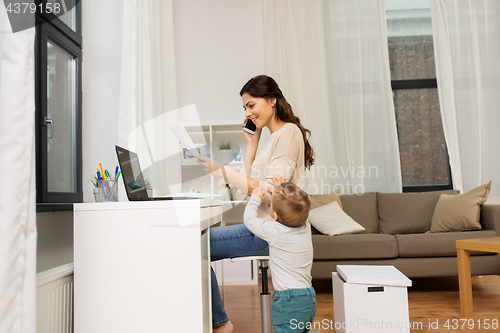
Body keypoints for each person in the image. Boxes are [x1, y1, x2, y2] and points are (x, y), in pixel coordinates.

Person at [196, 75, 314, 333]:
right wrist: (252, 143)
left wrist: (223, 171)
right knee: (195, 245)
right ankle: (219, 323)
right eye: (245, 108)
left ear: (272, 100)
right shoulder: (273, 138)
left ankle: (220, 324)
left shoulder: (288, 133)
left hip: (269, 230)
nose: (248, 113)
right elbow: (253, 188)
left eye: (251, 105)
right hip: (264, 227)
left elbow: (271, 192)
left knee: (195, 246)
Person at [245, 177, 316, 333]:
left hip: (287, 300)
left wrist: (255, 199)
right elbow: (296, 207)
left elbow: (249, 220)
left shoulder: (274, 231)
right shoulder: (306, 226)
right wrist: (282, 190)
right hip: (308, 297)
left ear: (275, 216)